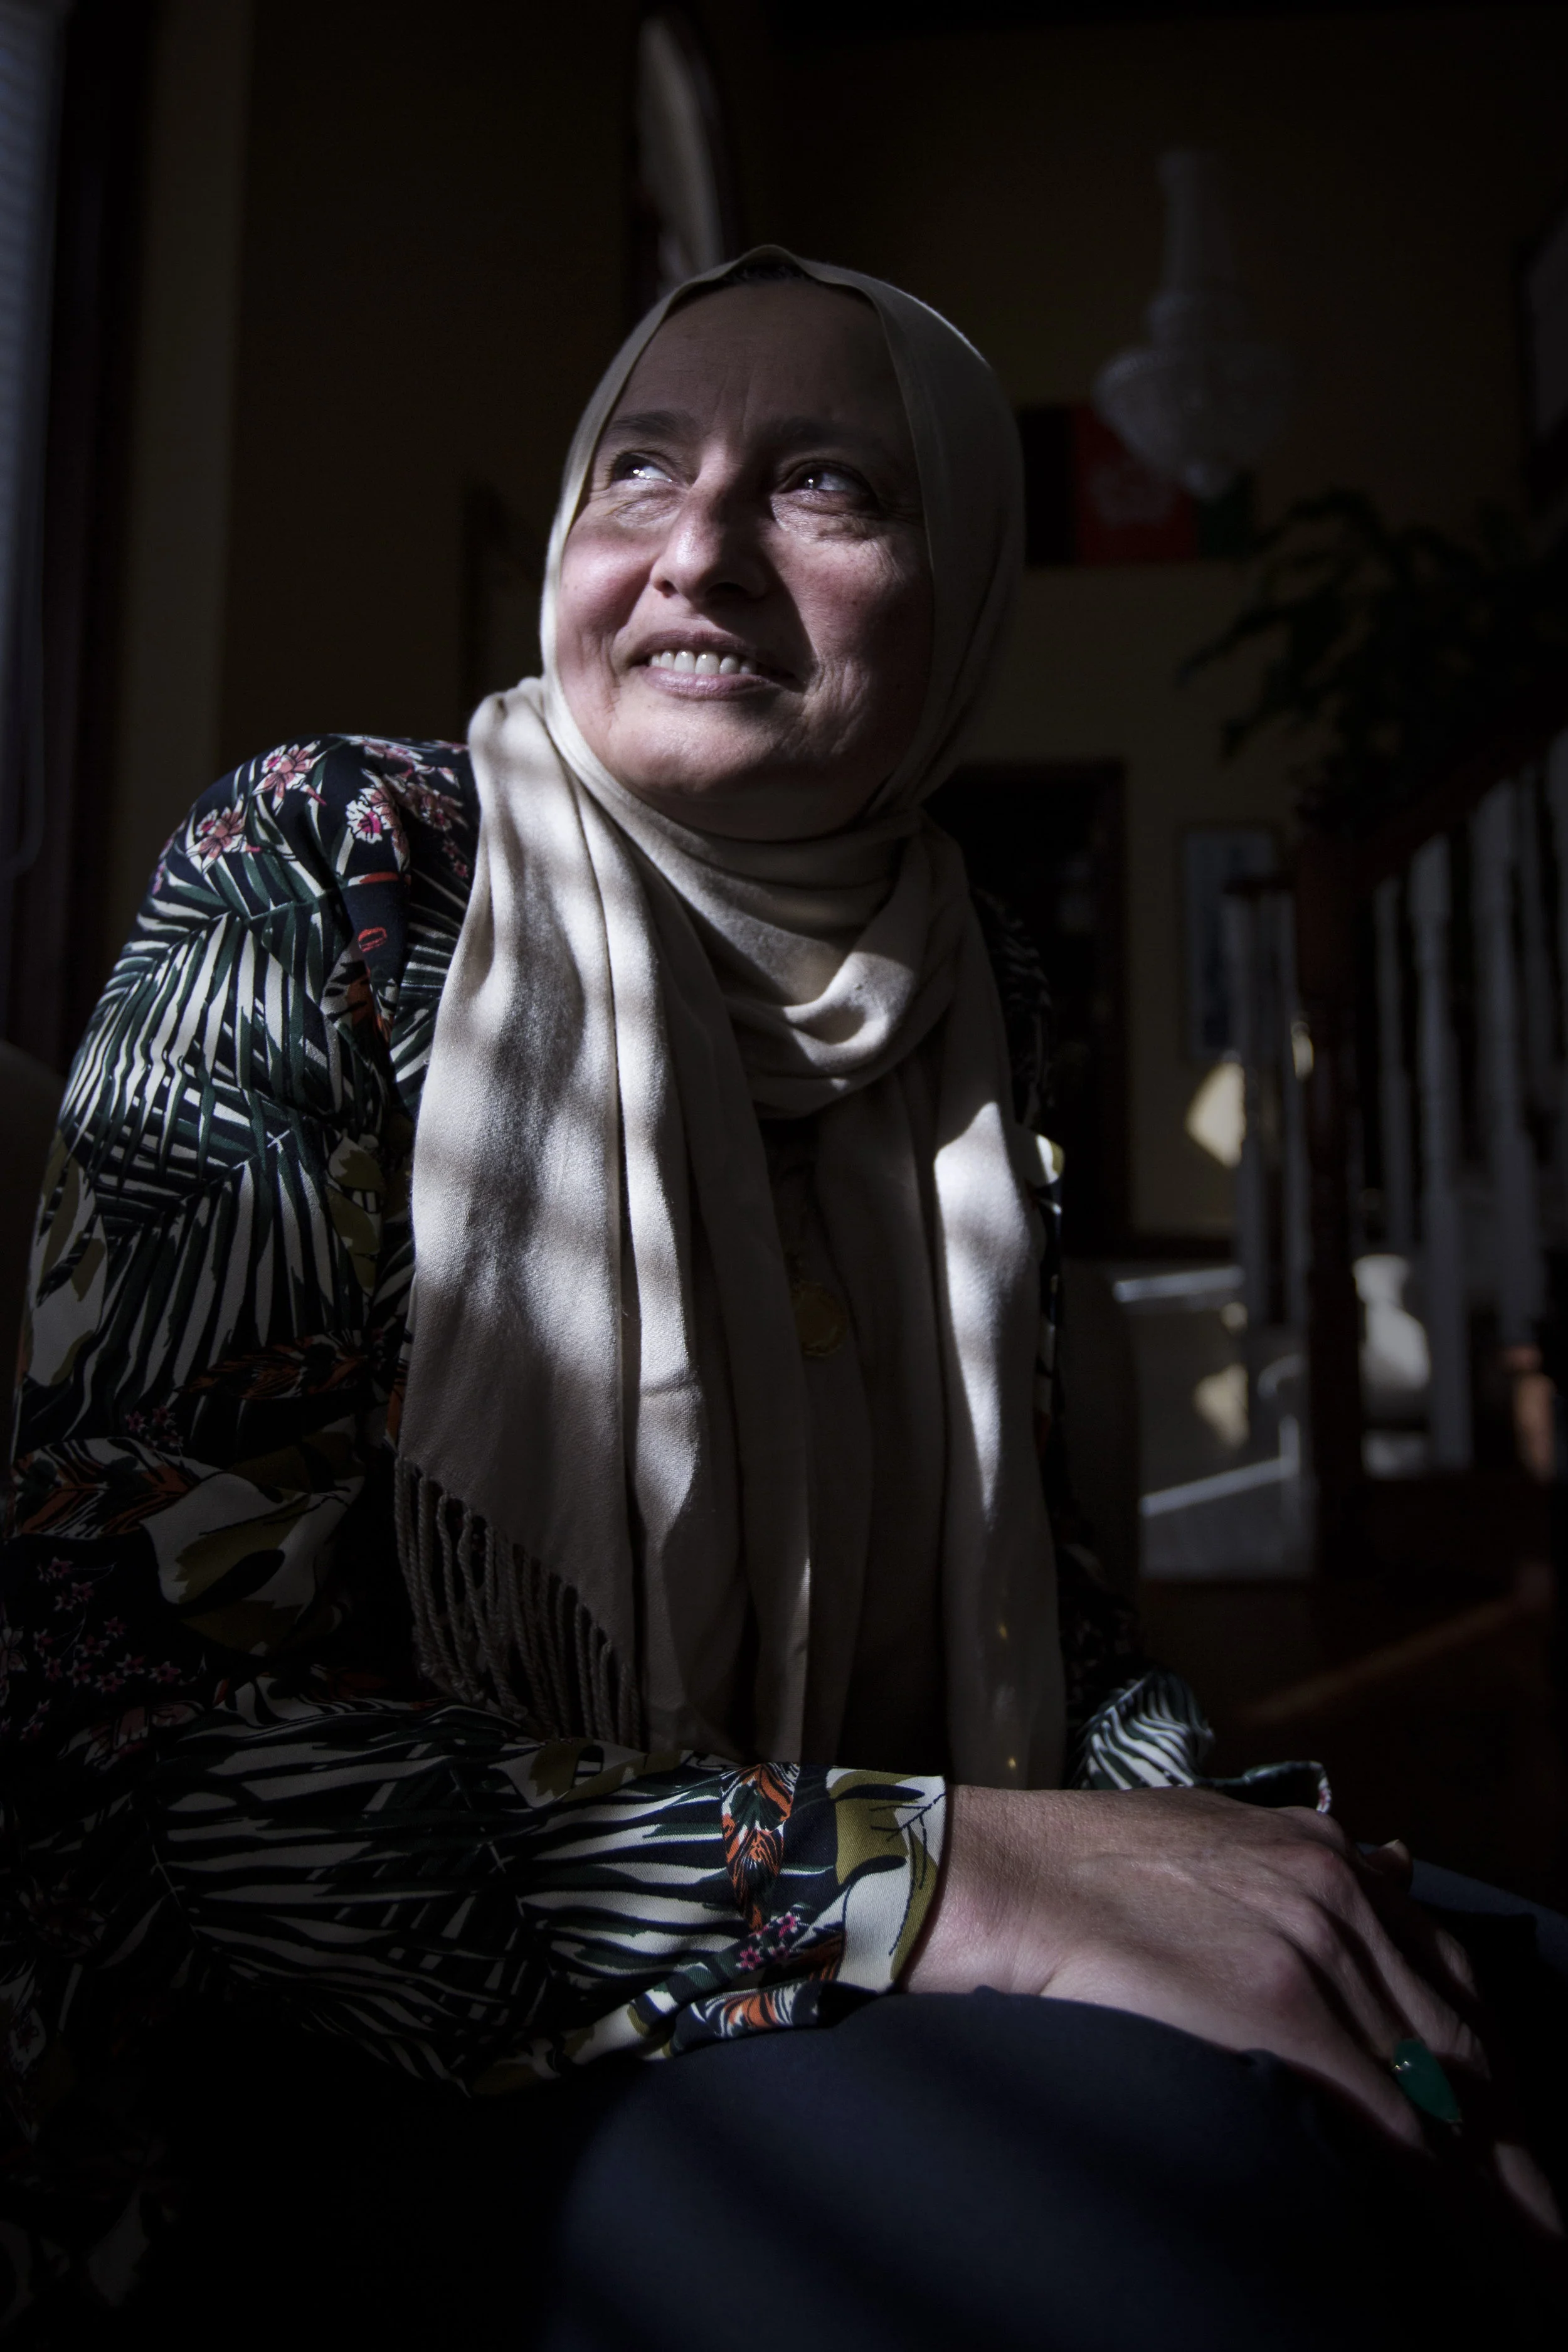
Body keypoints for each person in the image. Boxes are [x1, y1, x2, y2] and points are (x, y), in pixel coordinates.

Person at [0, 248, 1562, 2348]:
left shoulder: (969, 994)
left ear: (965, 598)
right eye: (636, 470)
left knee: (1493, 1998)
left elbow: (1053, 1623)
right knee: (1225, 2229)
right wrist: (947, 1876)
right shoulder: (339, 873)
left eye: (822, 488)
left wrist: (1246, 1851)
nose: (700, 553)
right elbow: (118, 1748)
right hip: (344, 2067)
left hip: (837, 1955)